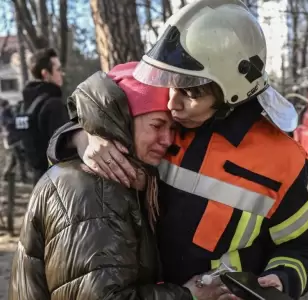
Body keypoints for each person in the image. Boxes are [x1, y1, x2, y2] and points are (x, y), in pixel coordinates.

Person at [47, 0, 308, 299]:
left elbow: (301, 246)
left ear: (230, 94)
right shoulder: (167, 125)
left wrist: (282, 277)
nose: (172, 103)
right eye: (172, 84)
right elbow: (99, 100)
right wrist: (83, 134)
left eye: (191, 92)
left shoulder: (280, 159)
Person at [9, 62, 227, 300]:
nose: (167, 139)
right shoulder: (94, 188)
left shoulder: (126, 177)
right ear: (124, 120)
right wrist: (188, 295)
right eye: (157, 125)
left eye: (173, 128)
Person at [19, 48, 69, 183]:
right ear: (45, 74)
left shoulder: (24, 106)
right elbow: (64, 150)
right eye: (58, 70)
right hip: (58, 181)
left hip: (38, 181)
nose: (62, 74)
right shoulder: (53, 105)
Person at [0, 99, 27, 183]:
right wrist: (16, 120)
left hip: (15, 139)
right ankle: (23, 178)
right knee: (20, 159)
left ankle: (5, 175)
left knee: (14, 160)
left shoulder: (8, 113)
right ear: (5, 105)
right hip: (12, 140)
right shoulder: (4, 114)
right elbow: (9, 123)